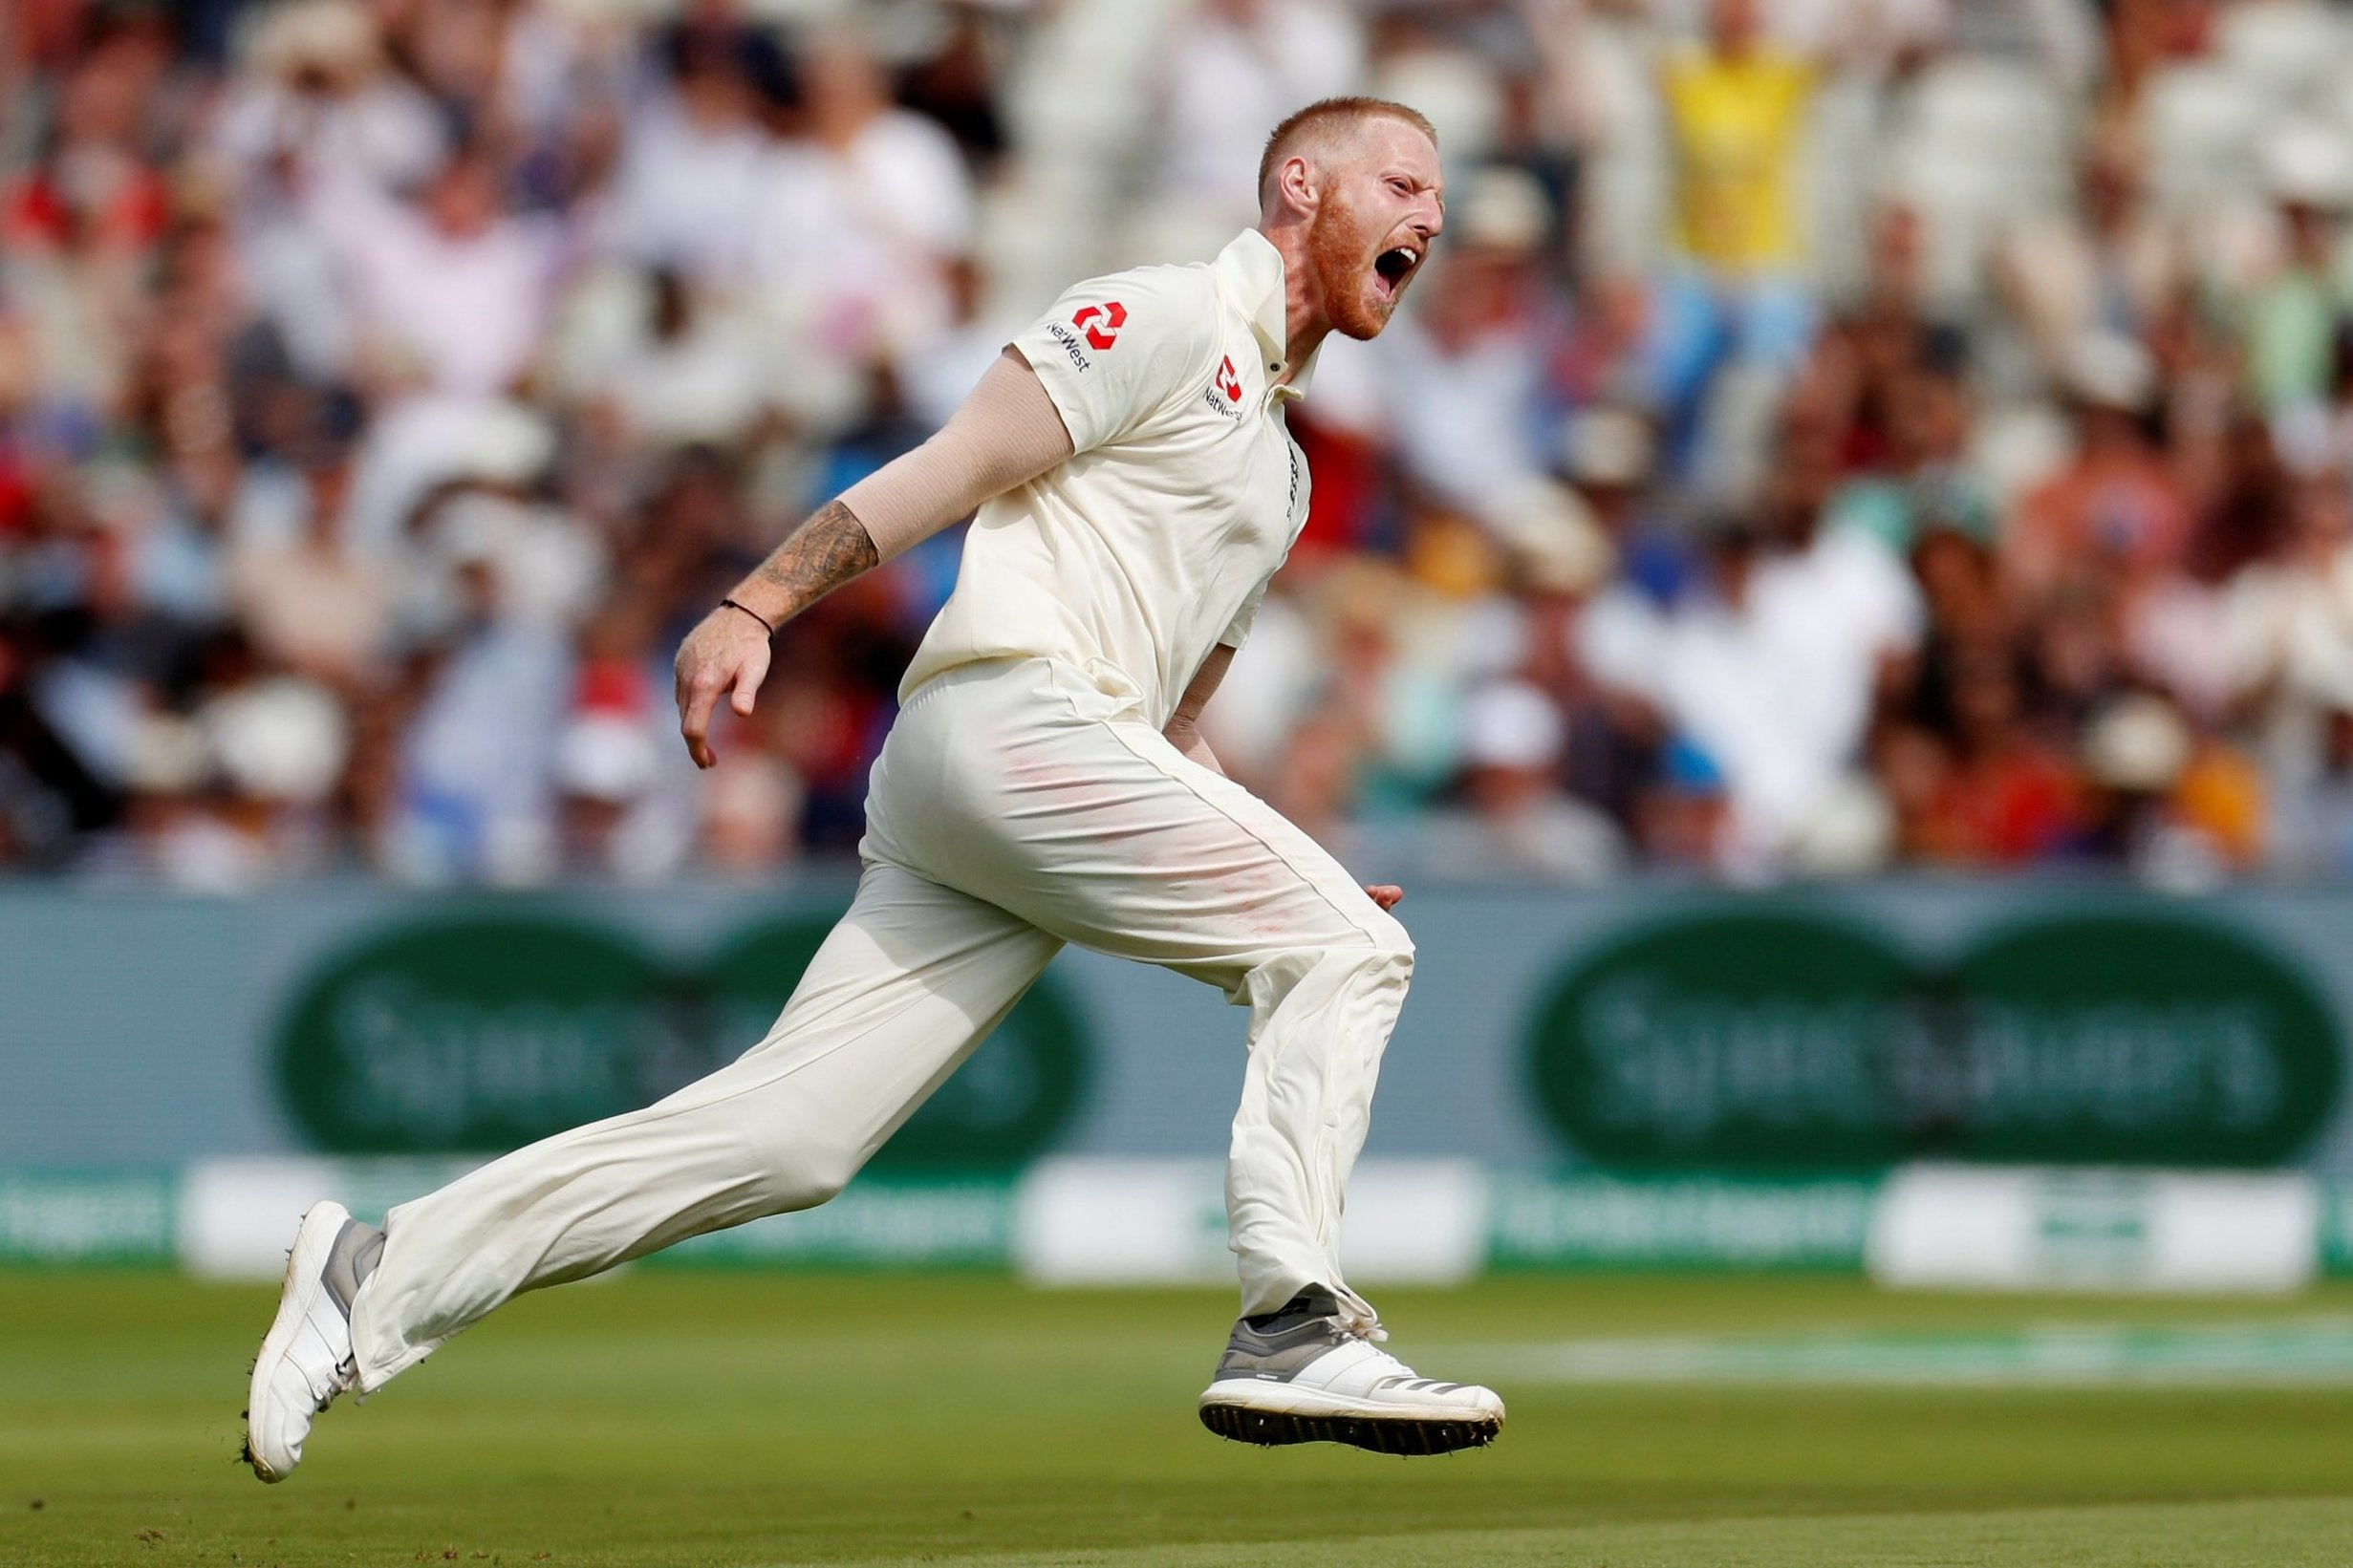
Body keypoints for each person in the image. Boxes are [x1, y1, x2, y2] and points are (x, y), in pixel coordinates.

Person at [245, 97, 1504, 1482]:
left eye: (1435, 197)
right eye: (1401, 183)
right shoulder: (1160, 313)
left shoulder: (1275, 470)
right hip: (1008, 714)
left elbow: (1172, 722)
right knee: (1350, 950)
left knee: (786, 1139)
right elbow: (951, 468)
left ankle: (377, 1272)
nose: (1429, 218)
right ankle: (1292, 1317)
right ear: (1298, 185)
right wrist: (754, 605)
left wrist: (1281, 853)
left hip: (1026, 776)